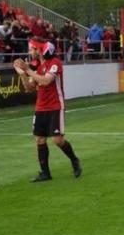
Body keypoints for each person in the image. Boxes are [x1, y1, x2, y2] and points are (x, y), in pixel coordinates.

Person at [12, 38, 82, 182]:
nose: (30, 52)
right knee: (40, 139)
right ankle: (45, 173)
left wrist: (27, 70)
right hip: (40, 107)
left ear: (39, 50)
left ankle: (74, 160)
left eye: (32, 49)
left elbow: (46, 80)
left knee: (57, 140)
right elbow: (29, 88)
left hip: (55, 105)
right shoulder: (36, 66)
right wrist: (22, 74)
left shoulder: (55, 63)